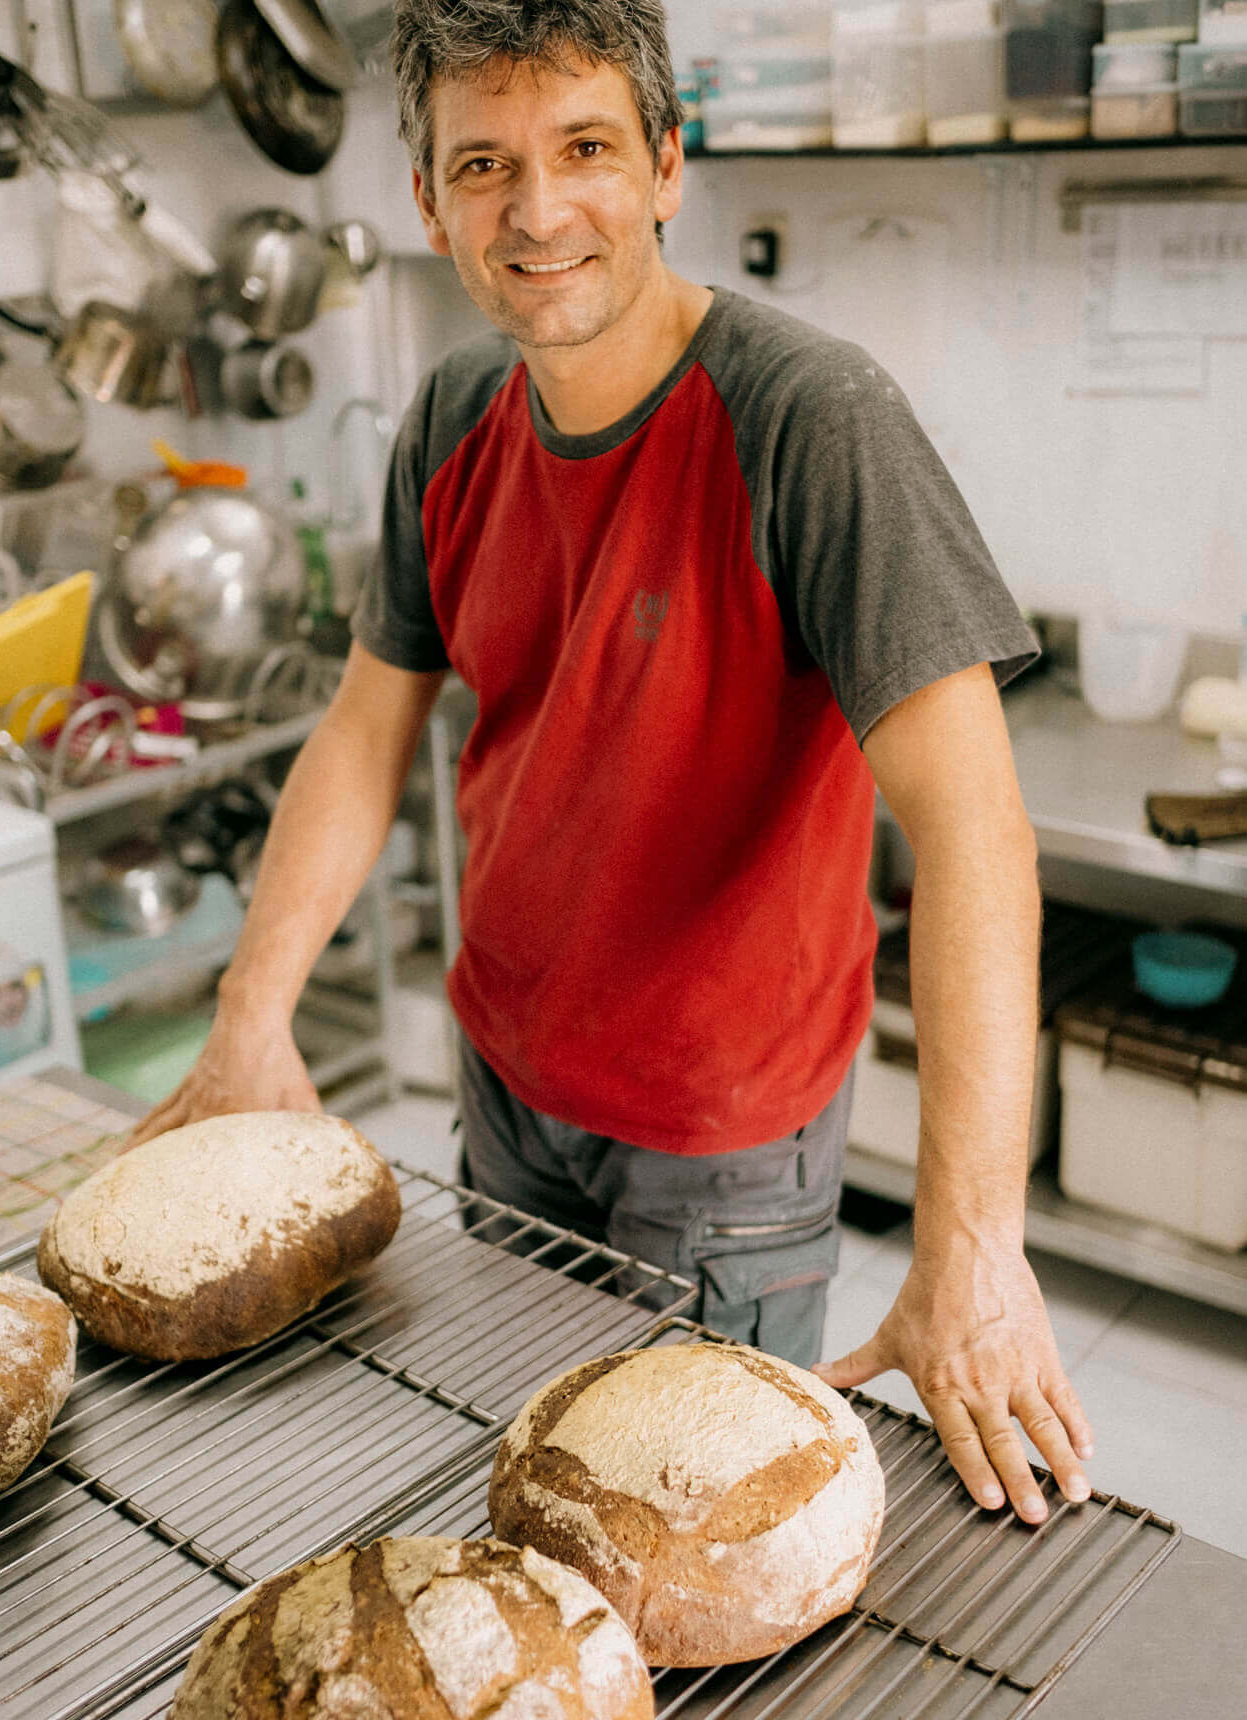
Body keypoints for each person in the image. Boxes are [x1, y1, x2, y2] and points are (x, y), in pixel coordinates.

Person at [127, 0, 1094, 1529]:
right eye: (485, 164)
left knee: (689, 1553)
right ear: (429, 201)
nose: (537, 209)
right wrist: (251, 1016)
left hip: (720, 1141)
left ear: (663, 166)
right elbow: (367, 723)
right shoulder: (449, 416)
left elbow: (975, 833)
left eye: (582, 147)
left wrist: (969, 1245)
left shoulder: (807, 416)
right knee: (533, 1493)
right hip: (506, 1084)